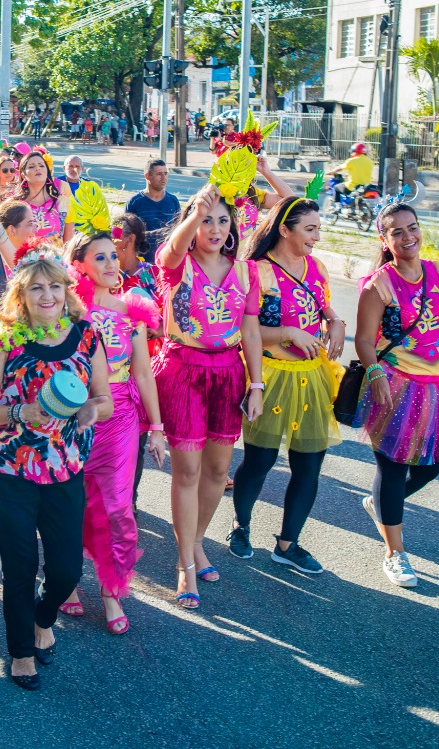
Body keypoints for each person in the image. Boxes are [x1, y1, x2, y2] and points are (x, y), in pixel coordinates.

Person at [0, 239, 113, 690]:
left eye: (54, 286)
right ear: (20, 296)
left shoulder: (87, 335)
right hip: (11, 467)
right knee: (20, 564)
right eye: (35, 288)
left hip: (65, 466)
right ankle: (21, 651)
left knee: (67, 568)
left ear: (67, 289)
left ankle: (42, 618)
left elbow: (105, 399)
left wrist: (93, 409)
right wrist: (21, 413)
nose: (46, 295)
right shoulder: (3, 340)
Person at [155, 183, 264, 609]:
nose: (214, 228)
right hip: (183, 370)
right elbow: (167, 254)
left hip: (229, 374)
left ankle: (197, 541)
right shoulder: (177, 266)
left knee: (218, 472)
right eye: (205, 220)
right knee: (187, 473)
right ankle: (184, 563)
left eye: (222, 219)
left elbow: (251, 331)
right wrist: (193, 212)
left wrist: (256, 384)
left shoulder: (246, 271)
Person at [227, 197, 347, 575]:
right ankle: (240, 526)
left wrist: (337, 321)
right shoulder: (255, 272)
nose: (316, 236)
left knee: (309, 466)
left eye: (317, 228)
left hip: (313, 376)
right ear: (284, 229)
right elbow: (242, 330)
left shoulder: (317, 268)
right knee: (260, 461)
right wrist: (288, 332)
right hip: (271, 375)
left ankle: (287, 543)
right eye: (309, 229)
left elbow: (324, 310)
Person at [354, 203, 439, 588]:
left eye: (412, 228)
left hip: (435, 385)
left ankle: (383, 504)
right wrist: (374, 374)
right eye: (397, 232)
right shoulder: (379, 284)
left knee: (431, 465)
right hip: (395, 382)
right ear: (384, 240)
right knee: (392, 466)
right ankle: (395, 553)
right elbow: (364, 341)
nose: (408, 237)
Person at [62, 229, 164, 634]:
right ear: (80, 264)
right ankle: (65, 578)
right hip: (71, 417)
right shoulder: (68, 311)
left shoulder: (132, 311)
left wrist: (155, 427)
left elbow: (143, 372)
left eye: (112, 256)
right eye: (99, 257)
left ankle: (110, 589)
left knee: (119, 507)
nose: (110, 264)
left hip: (120, 417)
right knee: (70, 504)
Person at [123, 160, 180, 260]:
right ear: (147, 176)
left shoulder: (173, 201)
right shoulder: (135, 202)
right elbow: (126, 235)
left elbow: (179, 232)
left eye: (165, 174)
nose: (164, 178)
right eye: (159, 174)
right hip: (142, 263)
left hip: (167, 260)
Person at [14, 151, 73, 242]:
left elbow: (69, 243)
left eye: (41, 166)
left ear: (47, 171)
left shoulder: (63, 202)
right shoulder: (15, 205)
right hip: (24, 255)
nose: (37, 168)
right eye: (31, 166)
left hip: (56, 255)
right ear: (23, 175)